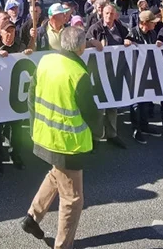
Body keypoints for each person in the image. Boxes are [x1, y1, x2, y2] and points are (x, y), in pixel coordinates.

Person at [20, 27, 102, 249]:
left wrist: (33, 125)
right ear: (80, 46)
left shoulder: (46, 61)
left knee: (57, 175)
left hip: (45, 134)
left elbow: (31, 96)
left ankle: (32, 217)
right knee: (73, 200)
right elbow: (90, 112)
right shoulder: (78, 73)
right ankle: (63, 246)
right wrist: (99, 133)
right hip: (68, 143)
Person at [0, 20, 34, 175]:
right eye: (7, 32)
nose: (10, 35)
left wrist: (29, 54)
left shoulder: (20, 47)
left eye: (12, 32)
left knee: (16, 129)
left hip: (14, 97)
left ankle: (16, 154)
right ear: (0, 33)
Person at [85, 3, 130, 149]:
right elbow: (84, 43)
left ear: (115, 15)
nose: (109, 16)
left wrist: (128, 40)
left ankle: (112, 134)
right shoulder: (95, 28)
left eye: (112, 14)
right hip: (99, 74)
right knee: (99, 108)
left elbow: (129, 37)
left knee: (113, 106)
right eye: (106, 14)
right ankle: (96, 137)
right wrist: (92, 42)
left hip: (115, 73)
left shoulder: (120, 27)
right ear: (102, 14)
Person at [125, 10, 163, 143]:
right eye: (152, 23)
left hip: (147, 71)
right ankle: (136, 129)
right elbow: (124, 48)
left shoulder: (152, 34)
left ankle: (144, 125)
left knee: (146, 99)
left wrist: (158, 45)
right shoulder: (133, 33)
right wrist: (127, 43)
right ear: (144, 23)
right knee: (136, 101)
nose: (155, 25)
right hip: (135, 72)